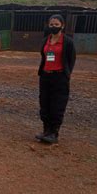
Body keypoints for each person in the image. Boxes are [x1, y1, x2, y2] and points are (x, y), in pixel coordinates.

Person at [36, 14, 76, 144]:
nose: (53, 27)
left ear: (62, 26)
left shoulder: (68, 42)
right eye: (51, 24)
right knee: (44, 103)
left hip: (60, 77)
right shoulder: (45, 40)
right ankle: (46, 130)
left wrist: (67, 74)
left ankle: (54, 133)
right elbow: (44, 57)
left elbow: (71, 60)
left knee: (57, 105)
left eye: (56, 24)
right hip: (45, 76)